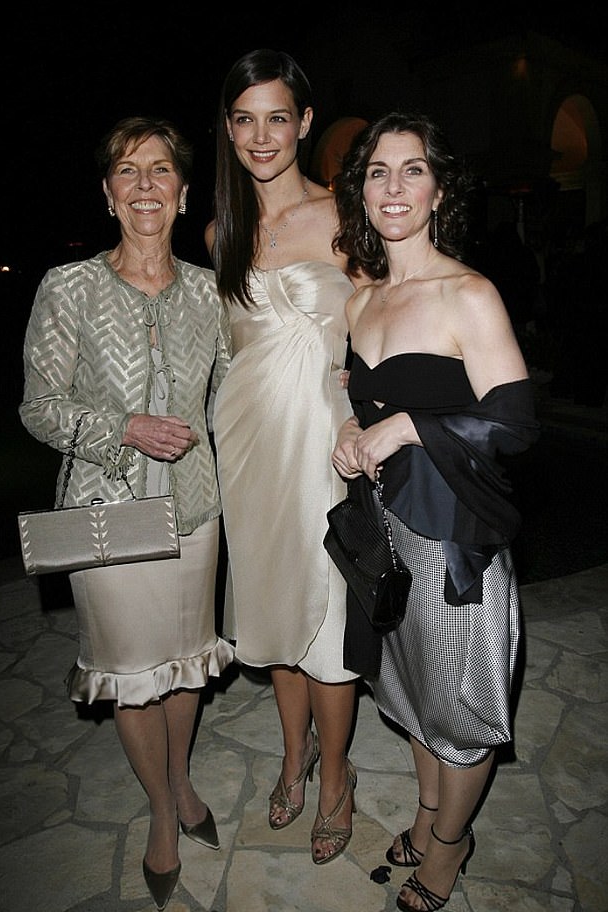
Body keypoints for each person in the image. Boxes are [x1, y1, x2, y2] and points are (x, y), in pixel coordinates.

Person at [19, 116, 234, 911]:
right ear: (108, 195)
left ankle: (181, 782)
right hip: (104, 516)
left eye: (159, 170)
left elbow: (240, 392)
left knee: (184, 662)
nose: (145, 183)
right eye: (126, 171)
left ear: (182, 193)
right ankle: (160, 811)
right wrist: (123, 429)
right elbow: (38, 407)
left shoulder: (211, 292)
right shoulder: (67, 286)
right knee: (131, 673)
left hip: (194, 511)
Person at [332, 112, 540, 911]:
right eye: (377, 172)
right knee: (416, 693)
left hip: (456, 544)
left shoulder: (469, 293)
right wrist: (353, 434)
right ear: (363, 191)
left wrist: (409, 426)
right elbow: (367, 399)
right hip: (386, 536)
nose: (393, 187)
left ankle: (449, 847)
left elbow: (516, 427)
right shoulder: (363, 300)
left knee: (463, 709)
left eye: (411, 170)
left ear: (438, 188)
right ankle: (426, 817)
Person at [205, 49, 366, 865]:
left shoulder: (347, 212)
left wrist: (372, 403)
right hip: (247, 444)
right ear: (228, 129)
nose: (260, 135)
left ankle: (336, 777)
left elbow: (385, 322)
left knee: (329, 620)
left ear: (304, 123)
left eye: (277, 116)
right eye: (244, 118)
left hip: (324, 446)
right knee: (272, 611)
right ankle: (293, 751)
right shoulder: (219, 230)